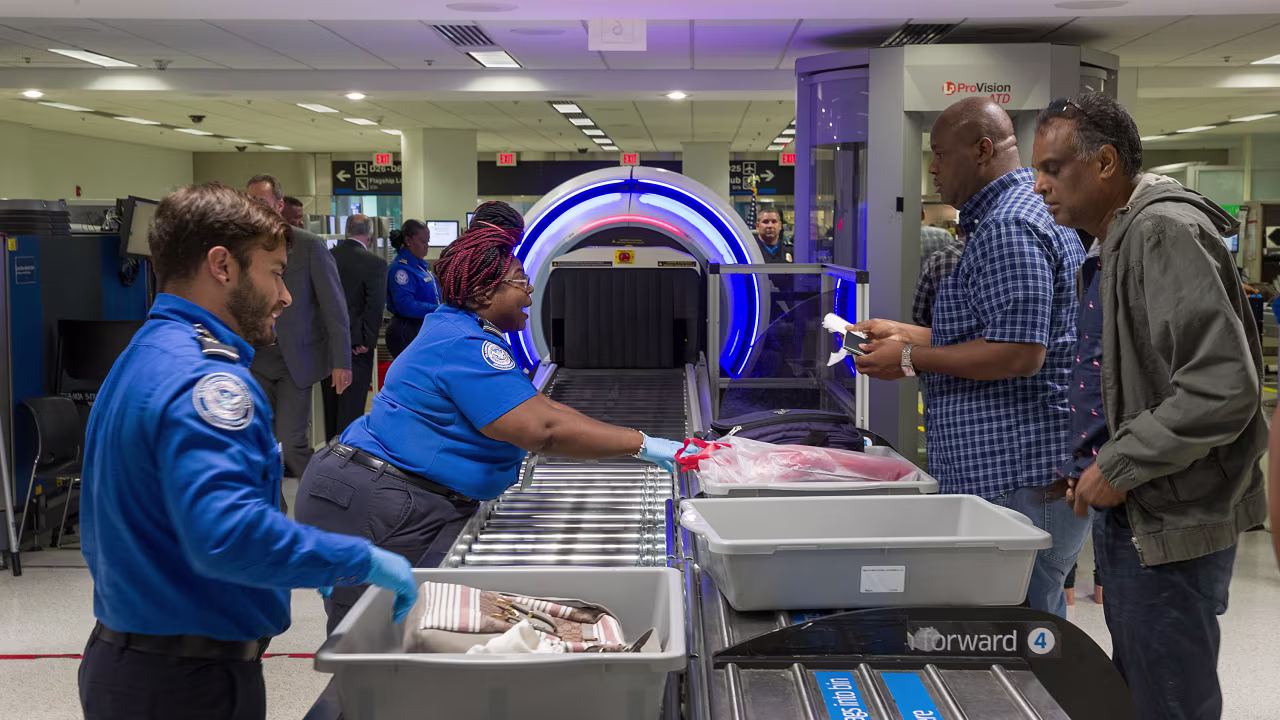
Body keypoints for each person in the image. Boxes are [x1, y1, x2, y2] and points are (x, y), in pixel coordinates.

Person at [76, 184, 417, 720]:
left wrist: (291, 554)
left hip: (133, 659)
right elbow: (226, 534)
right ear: (222, 266)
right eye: (276, 272)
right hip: (187, 682)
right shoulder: (208, 383)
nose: (284, 296)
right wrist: (356, 557)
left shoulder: (145, 353)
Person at [294, 217, 684, 633]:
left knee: (397, 633)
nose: (530, 289)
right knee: (371, 640)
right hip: (376, 498)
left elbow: (539, 407)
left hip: (387, 489)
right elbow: (543, 430)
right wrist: (642, 444)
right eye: (520, 281)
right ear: (483, 291)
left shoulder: (460, 329)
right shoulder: (464, 344)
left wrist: (643, 442)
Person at [1033, 92, 1266, 720]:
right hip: (1142, 513)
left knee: (1167, 698)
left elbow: (1222, 386)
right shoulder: (1115, 239)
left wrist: (1120, 463)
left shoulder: (1161, 232)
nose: (1040, 184)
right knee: (1138, 687)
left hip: (1171, 517)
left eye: (1054, 168)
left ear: (1105, 163)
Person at [851, 97, 1087, 619]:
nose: (931, 167)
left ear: (983, 150)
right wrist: (905, 333)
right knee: (1024, 621)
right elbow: (999, 331)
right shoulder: (1022, 213)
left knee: (1021, 626)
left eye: (939, 153)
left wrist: (911, 355)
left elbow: (1020, 353)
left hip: (1017, 472)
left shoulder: (1008, 226)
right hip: (1021, 472)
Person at [245, 175, 353, 487]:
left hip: (295, 359)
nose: (254, 209)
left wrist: (341, 360)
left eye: (261, 203)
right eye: (250, 202)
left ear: (278, 205)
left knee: (291, 443)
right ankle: (271, 507)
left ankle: (324, 496)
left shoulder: (307, 246)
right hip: (254, 357)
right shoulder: (241, 245)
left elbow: (334, 306)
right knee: (257, 442)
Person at [324, 214, 387, 440]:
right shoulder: (375, 263)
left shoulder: (327, 258)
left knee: (330, 407)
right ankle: (345, 461)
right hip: (356, 348)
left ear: (346, 231)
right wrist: (366, 342)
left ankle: (328, 458)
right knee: (352, 408)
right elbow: (374, 306)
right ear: (369, 235)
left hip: (329, 347)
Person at [385, 219, 439, 359]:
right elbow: (405, 305)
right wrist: (437, 309)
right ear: (408, 241)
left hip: (422, 328)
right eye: (423, 242)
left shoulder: (420, 266)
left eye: (428, 241)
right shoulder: (401, 269)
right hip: (407, 330)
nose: (427, 246)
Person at [910, 227, 964, 328]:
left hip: (922, 288)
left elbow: (919, 316)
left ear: (959, 229)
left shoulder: (939, 258)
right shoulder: (943, 234)